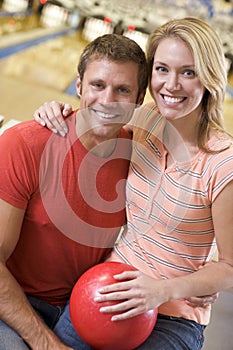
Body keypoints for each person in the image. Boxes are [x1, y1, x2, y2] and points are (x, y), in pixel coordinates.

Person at [34, 17, 233, 350]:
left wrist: (165, 289)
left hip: (173, 314)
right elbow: (94, 118)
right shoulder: (144, 122)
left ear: (210, 77)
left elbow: (230, 267)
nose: (171, 85)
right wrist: (57, 110)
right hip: (106, 288)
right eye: (162, 69)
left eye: (188, 72)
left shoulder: (223, 162)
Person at [0, 34, 148, 349]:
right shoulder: (23, 145)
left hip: (82, 307)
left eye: (122, 90)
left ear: (140, 97)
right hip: (10, 303)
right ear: (78, 86)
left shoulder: (139, 158)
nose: (108, 100)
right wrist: (45, 342)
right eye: (97, 85)